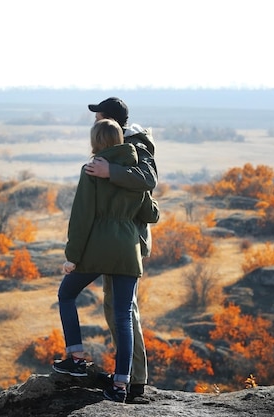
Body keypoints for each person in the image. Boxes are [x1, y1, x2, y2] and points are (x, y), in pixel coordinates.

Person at [53, 118, 159, 403]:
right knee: (124, 315)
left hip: (97, 248)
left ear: (96, 142)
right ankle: (121, 385)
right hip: (127, 250)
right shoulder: (135, 171)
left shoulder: (91, 169)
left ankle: (75, 357)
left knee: (66, 294)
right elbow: (151, 215)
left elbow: (82, 216)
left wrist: (72, 257)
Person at [85, 97, 158, 403]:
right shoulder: (119, 146)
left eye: (99, 117)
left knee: (124, 311)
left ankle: (133, 381)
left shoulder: (136, 147)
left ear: (112, 121)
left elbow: (147, 180)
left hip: (129, 240)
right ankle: (126, 376)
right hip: (116, 239)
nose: (94, 123)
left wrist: (109, 172)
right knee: (115, 308)